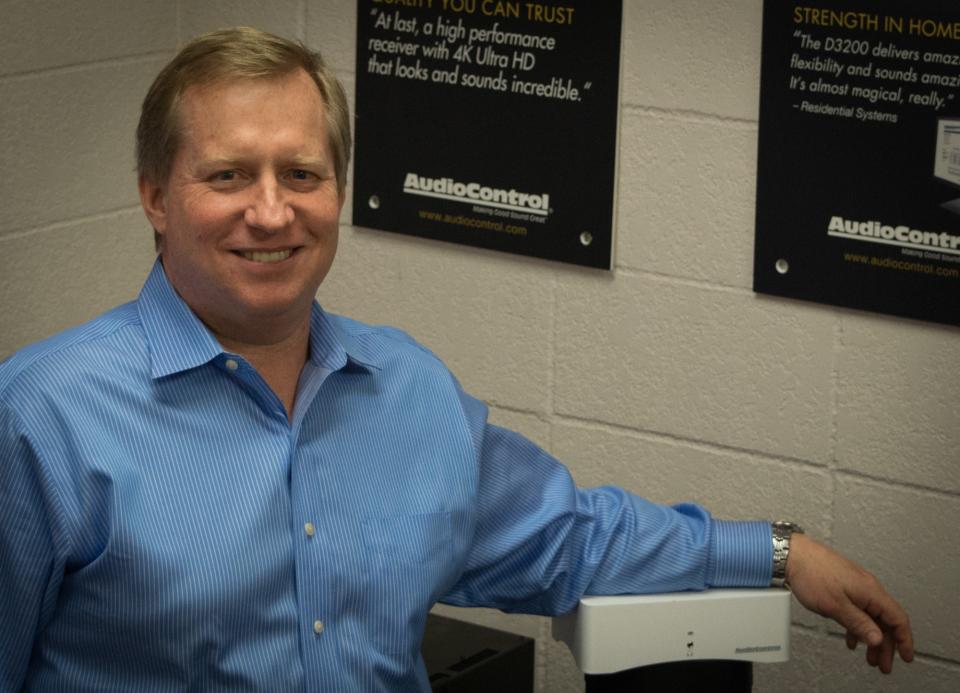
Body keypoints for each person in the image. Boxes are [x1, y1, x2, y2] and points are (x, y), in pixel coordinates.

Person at [0, 27, 912, 692]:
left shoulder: (408, 392)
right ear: (156, 195)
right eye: (229, 174)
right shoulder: (44, 417)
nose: (272, 212)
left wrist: (783, 553)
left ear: (340, 192)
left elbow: (571, 538)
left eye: (303, 175)